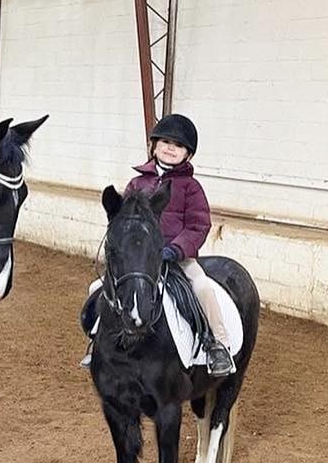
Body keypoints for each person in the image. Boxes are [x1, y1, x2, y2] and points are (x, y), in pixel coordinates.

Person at [83, 112, 235, 376]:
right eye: (164, 142)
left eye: (177, 145)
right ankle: (99, 342)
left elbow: (198, 226)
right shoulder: (137, 183)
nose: (170, 148)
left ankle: (217, 346)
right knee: (98, 287)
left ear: (187, 154)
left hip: (177, 258)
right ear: (153, 146)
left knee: (202, 288)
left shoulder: (191, 188)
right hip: (140, 260)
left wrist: (175, 249)